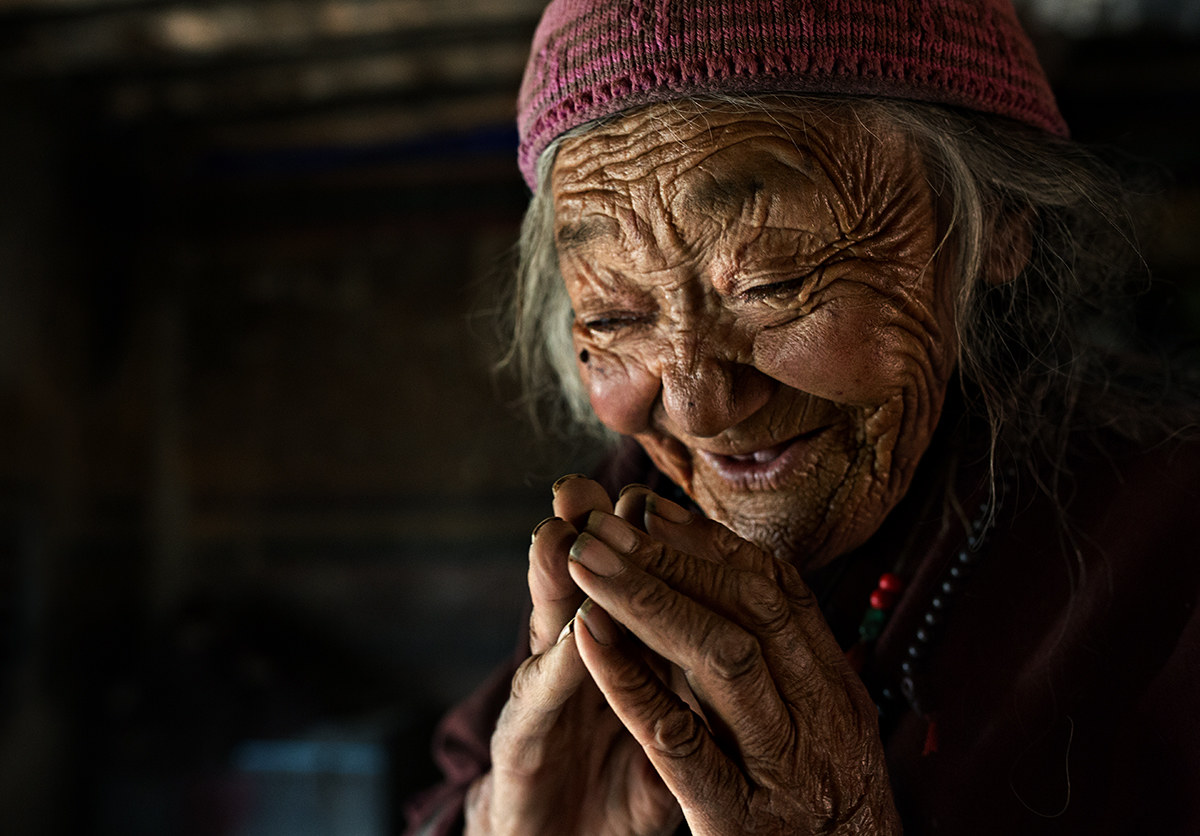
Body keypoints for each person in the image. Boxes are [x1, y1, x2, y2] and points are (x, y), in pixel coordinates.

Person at [406, 1, 1200, 833]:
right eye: (613, 318)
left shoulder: (1171, 544)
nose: (699, 408)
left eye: (775, 286)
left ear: (994, 224)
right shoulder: (637, 518)